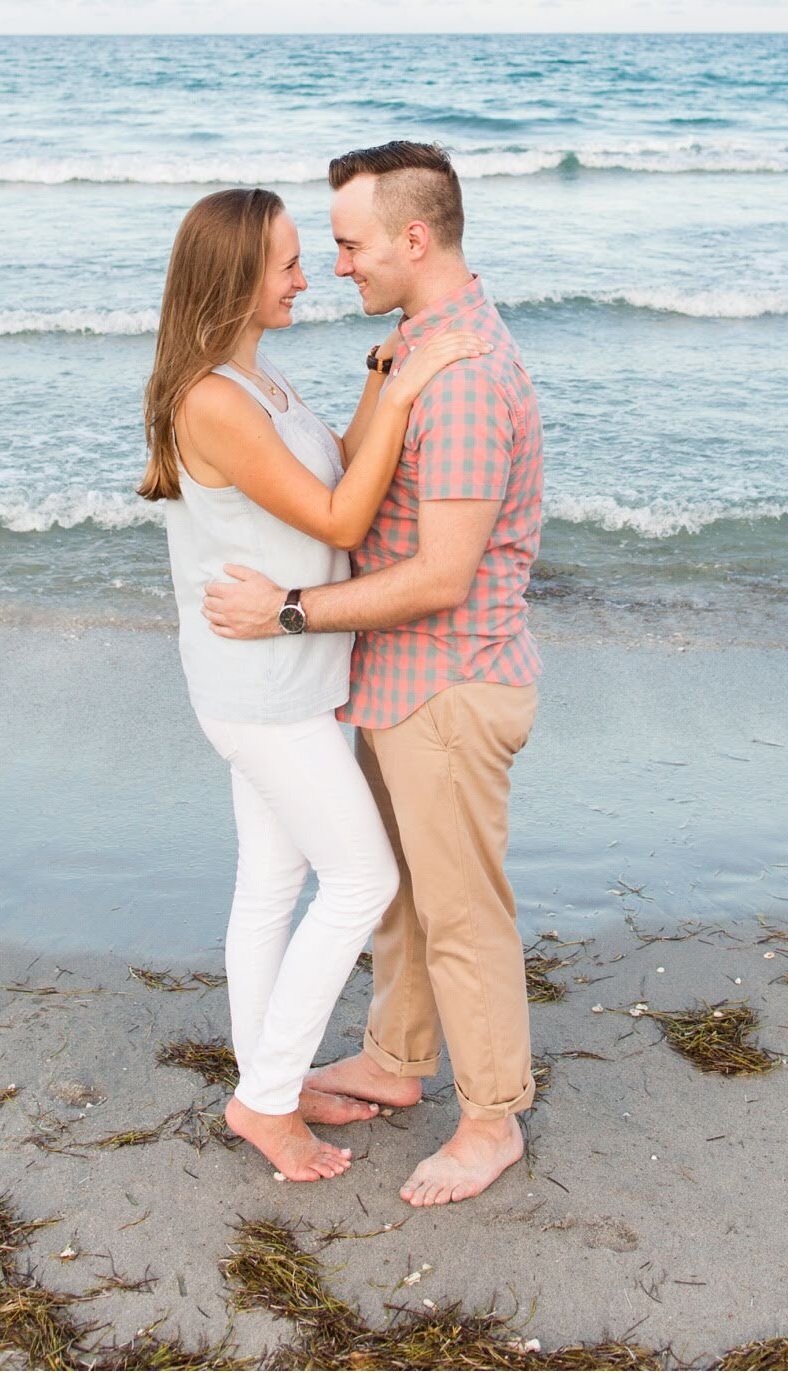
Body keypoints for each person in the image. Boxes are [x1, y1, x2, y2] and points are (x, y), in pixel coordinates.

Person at [202, 140, 543, 1207]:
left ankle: (492, 1119)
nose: (336, 263)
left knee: (459, 911)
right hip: (394, 679)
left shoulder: (468, 378)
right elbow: (357, 491)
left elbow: (441, 575)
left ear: (413, 236)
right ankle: (397, 1061)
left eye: (346, 243)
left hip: (447, 681)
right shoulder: (411, 350)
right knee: (397, 898)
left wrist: (292, 612)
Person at [139, 183, 484, 1182]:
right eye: (287, 263)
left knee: (273, 883)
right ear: (236, 279)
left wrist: (384, 370)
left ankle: (270, 1079)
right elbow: (338, 517)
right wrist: (415, 389)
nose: (306, 277)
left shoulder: (258, 380)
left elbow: (331, 461)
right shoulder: (211, 397)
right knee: (363, 880)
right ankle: (265, 1102)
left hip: (278, 677)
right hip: (263, 691)